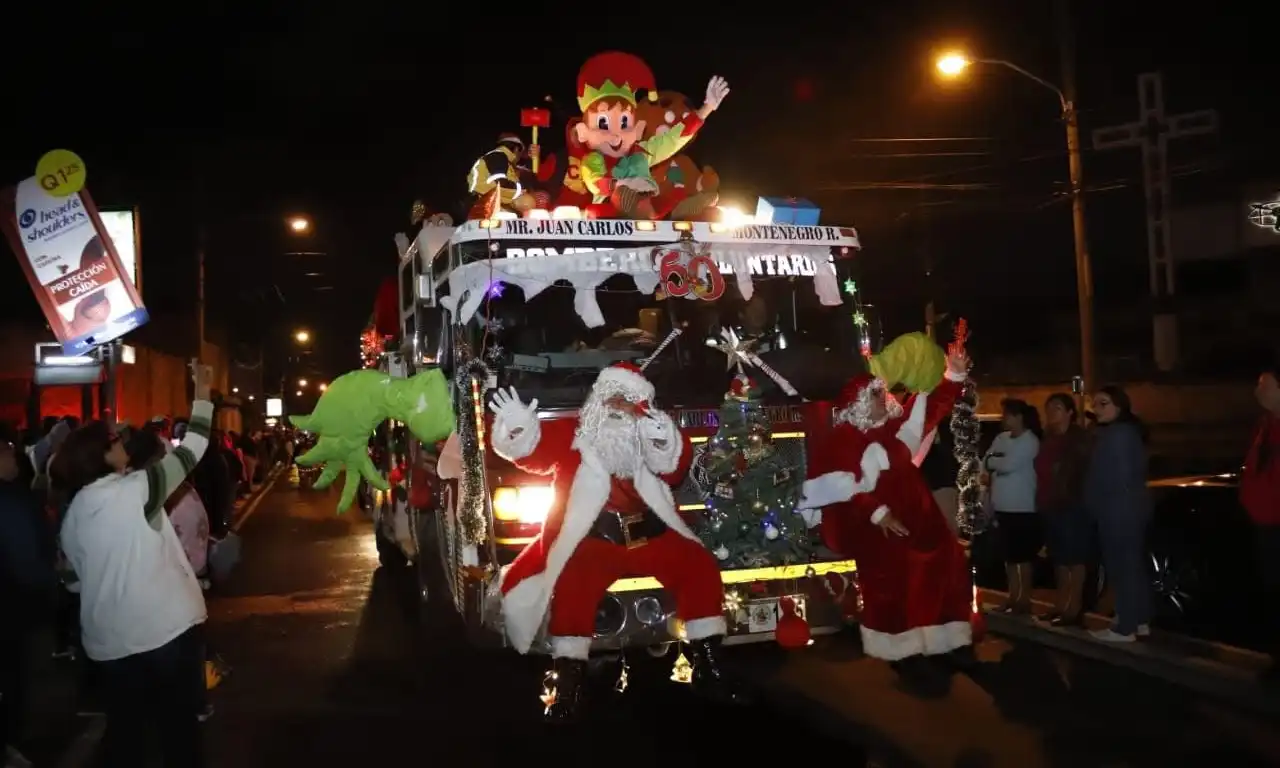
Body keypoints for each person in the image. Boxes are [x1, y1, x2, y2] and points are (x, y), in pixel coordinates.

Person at [488, 362, 741, 722]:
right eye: (613, 399)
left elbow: (675, 464)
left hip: (649, 535)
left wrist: (665, 438)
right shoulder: (574, 434)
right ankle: (568, 685)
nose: (619, 407)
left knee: (697, 565)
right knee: (574, 587)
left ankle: (708, 667)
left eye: (628, 401)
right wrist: (516, 429)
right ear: (599, 400)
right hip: (593, 540)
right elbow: (532, 452)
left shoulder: (648, 434)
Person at [54, 364, 214, 767]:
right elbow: (192, 447)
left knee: (127, 737)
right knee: (178, 732)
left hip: (109, 645)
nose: (122, 442)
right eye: (114, 440)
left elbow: (71, 580)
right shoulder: (139, 489)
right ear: (104, 456)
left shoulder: (74, 515)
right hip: (163, 633)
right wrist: (203, 391)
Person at [798, 345, 974, 669]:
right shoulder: (846, 438)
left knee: (944, 570)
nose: (886, 398)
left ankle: (943, 639)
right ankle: (900, 648)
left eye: (883, 392)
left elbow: (934, 406)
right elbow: (843, 486)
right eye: (877, 394)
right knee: (890, 582)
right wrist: (878, 512)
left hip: (921, 520)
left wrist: (954, 375)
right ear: (862, 401)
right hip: (879, 527)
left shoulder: (894, 430)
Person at [1, 431, 56, 768]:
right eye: (7, 451)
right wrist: (51, 585)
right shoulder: (10, 502)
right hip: (10, 607)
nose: (13, 457)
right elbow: (26, 559)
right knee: (11, 677)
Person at [1083, 385, 1152, 643]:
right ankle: (1139, 620)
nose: (1095, 409)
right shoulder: (1120, 433)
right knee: (1131, 564)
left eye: (1103, 403)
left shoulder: (1119, 434)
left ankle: (1126, 626)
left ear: (1119, 407)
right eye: (1095, 403)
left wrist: (1099, 502)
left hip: (1118, 510)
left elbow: (1118, 478)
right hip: (1124, 509)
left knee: (1121, 566)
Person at [1036, 393, 1093, 626]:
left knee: (1074, 557)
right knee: (1058, 557)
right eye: (1048, 408)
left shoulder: (1079, 440)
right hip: (1050, 503)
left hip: (1071, 504)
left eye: (1057, 408)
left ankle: (1074, 607)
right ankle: (1060, 604)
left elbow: (1082, 473)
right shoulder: (1047, 438)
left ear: (1070, 412)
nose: (1051, 413)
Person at [984, 399, 1042, 614]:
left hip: (1023, 507)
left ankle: (1024, 599)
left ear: (1019, 417)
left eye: (1007, 414)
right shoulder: (1001, 438)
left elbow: (1005, 465)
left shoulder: (1030, 441)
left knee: (1022, 556)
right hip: (1002, 506)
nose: (1003, 418)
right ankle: (1013, 596)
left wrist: (996, 463)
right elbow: (986, 460)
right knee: (1009, 556)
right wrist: (995, 462)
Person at [1241, 364, 1280, 682]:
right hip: (1264, 522)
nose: (1258, 392)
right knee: (1271, 592)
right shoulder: (1263, 426)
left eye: (1264, 385)